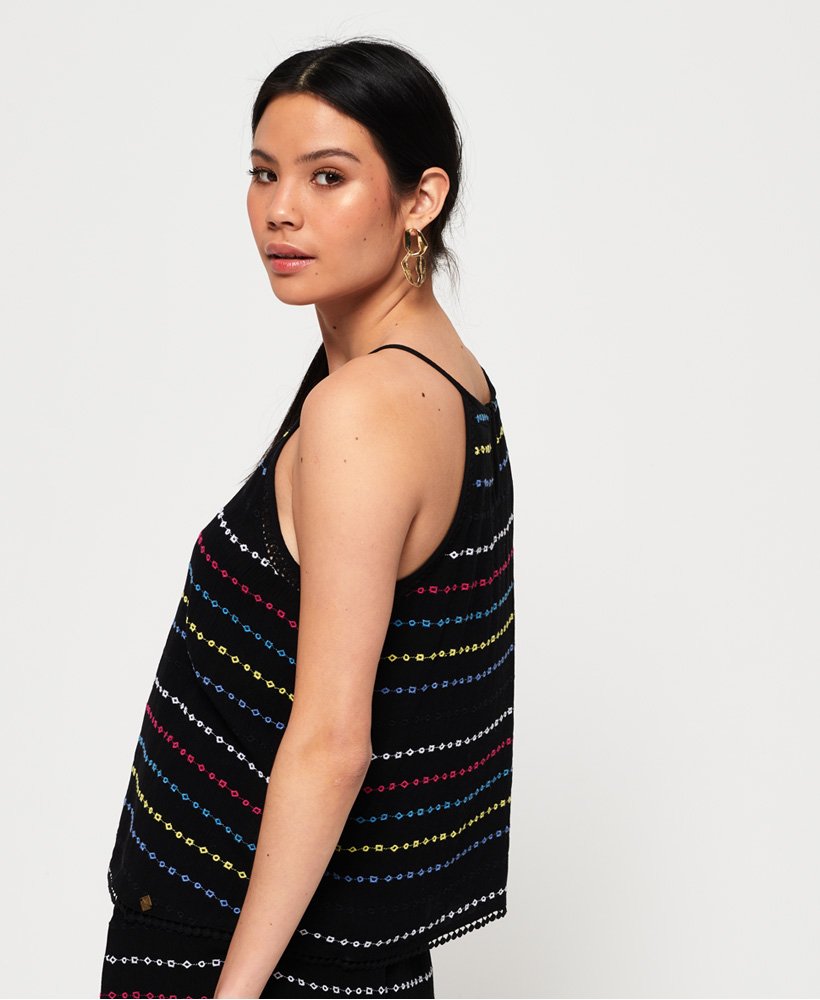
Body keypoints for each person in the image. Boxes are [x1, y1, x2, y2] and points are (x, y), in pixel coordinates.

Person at [99, 37, 515, 1000]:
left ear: (421, 198)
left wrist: (233, 991)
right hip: (317, 944)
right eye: (263, 173)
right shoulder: (445, 379)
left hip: (243, 948)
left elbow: (333, 742)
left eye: (329, 177)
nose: (281, 209)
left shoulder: (363, 410)